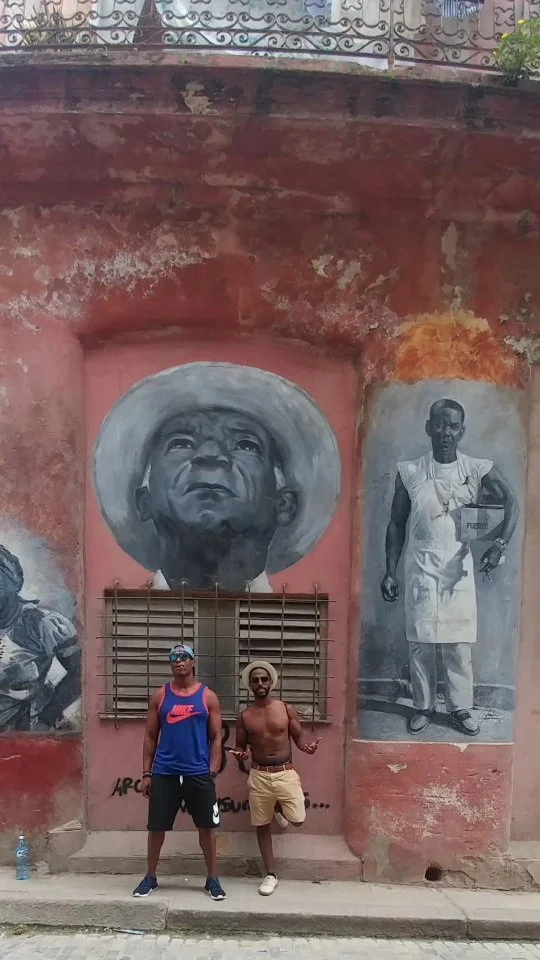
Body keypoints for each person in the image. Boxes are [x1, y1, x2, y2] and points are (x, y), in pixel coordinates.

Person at [93, 362, 341, 592]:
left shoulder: (288, 624)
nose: (210, 454)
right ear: (144, 502)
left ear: (284, 505)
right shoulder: (131, 621)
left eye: (245, 445)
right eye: (181, 443)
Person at [381, 398, 518, 737]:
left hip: (458, 569)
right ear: (429, 427)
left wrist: (500, 545)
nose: (446, 432)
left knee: (458, 644)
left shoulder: (476, 469)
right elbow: (396, 523)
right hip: (420, 567)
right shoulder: (410, 472)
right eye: (440, 424)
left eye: (453, 426)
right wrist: (389, 571)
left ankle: (460, 709)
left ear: (461, 432)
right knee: (421, 643)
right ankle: (423, 707)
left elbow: (512, 503)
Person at [133, 642, 226, 901]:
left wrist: (212, 770)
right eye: (173, 657)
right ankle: (150, 877)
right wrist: (147, 773)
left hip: (198, 772)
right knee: (156, 828)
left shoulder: (208, 697)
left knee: (207, 828)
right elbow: (150, 736)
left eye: (184, 656)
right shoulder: (160, 696)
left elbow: (216, 737)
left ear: (193, 662)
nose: (178, 661)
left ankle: (212, 879)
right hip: (165, 772)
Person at [230, 660, 320, 896]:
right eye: (255, 680)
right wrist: (240, 754)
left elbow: (298, 738)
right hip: (259, 775)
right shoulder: (245, 716)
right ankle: (270, 874)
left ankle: (279, 808)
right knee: (262, 825)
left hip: (285, 773)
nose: (260, 683)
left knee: (298, 820)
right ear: (250, 685)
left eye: (264, 679)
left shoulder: (285, 709)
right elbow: (240, 746)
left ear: (270, 682)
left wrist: (307, 748)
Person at [0, 544, 80, 732]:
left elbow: (81, 670)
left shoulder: (40, 622)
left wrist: (47, 715)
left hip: (20, 732)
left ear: (14, 581)